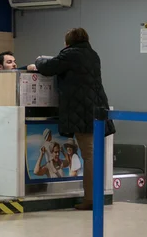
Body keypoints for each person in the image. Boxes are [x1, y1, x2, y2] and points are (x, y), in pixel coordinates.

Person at [35, 28, 115, 211]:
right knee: (93, 155)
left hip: (83, 112)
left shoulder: (71, 54)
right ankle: (94, 197)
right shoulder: (93, 55)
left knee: (89, 156)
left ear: (67, 43)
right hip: (96, 109)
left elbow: (48, 67)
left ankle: (91, 199)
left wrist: (38, 61)